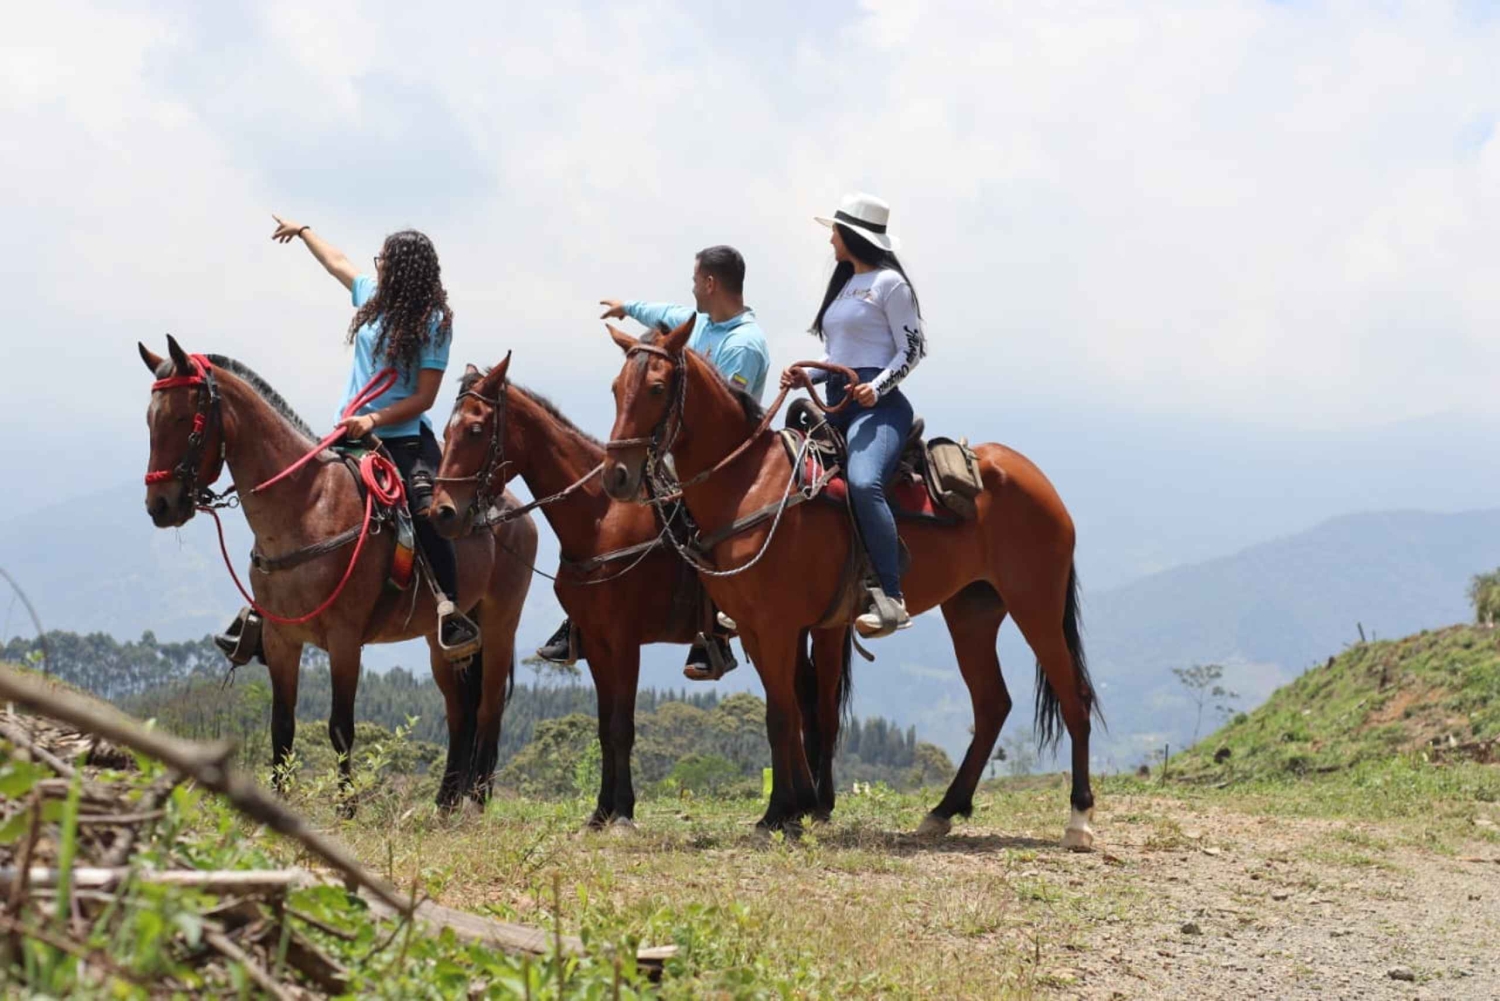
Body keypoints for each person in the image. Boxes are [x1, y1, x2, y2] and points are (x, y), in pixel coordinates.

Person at [225, 214, 479, 660]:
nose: (376, 265)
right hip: (349, 435)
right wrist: (304, 232)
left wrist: (374, 420)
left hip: (402, 440)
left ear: (403, 268)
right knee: (289, 501)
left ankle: (448, 608)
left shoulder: (435, 322)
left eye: (383, 259)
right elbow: (337, 262)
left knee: (425, 510)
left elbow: (424, 397)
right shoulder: (372, 298)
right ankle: (266, 609)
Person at [535, 245, 771, 680]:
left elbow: (722, 410)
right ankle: (581, 614)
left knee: (700, 527)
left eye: (695, 280)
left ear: (710, 283)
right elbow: (664, 312)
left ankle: (715, 633)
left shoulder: (744, 345)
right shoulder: (702, 322)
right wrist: (627, 307)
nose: (692, 288)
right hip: (681, 450)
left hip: (723, 463)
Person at [782, 192, 927, 637]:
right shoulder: (846, 284)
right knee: (785, 476)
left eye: (835, 231)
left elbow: (912, 349)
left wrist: (876, 387)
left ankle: (891, 597)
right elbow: (839, 355)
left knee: (864, 483)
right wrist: (807, 376)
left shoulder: (890, 284)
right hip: (836, 400)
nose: (830, 239)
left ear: (851, 235)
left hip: (879, 408)